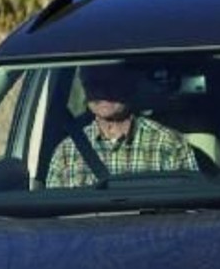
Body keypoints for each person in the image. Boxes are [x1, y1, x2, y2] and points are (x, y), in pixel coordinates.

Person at [45, 62, 198, 188]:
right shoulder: (66, 152)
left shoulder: (168, 144)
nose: (101, 92)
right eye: (92, 84)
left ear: (130, 85)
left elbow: (189, 211)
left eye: (110, 83)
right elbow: (52, 218)